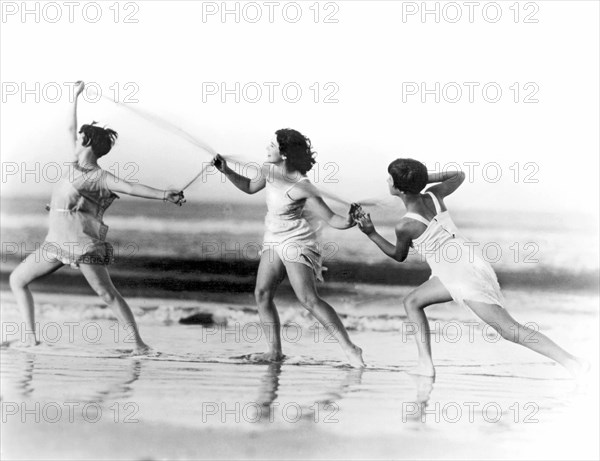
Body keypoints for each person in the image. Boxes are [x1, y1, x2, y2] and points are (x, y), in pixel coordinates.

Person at [355, 158, 587, 377]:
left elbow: (398, 255)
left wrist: (371, 233)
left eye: (390, 178)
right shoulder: (434, 194)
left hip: (458, 274)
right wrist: (423, 178)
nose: (387, 181)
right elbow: (459, 174)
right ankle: (425, 365)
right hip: (466, 263)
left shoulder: (406, 225)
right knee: (412, 302)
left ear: (400, 189)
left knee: (508, 330)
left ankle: (572, 362)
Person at [9, 81, 185, 353]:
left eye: (81, 137)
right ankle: (31, 338)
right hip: (55, 242)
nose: (75, 139)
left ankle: (139, 345)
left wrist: (164, 194)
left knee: (106, 294)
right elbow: (71, 127)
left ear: (88, 142)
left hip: (81, 244)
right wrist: (75, 96)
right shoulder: (73, 163)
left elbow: (131, 187)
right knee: (17, 280)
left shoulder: (99, 177)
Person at [212, 129, 364, 367]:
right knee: (261, 294)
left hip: (297, 241)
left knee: (308, 299)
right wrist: (227, 171)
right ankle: (274, 352)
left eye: (271, 146)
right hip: (273, 238)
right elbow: (251, 187)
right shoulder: (267, 170)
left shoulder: (303, 186)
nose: (267, 149)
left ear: (283, 152)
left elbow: (332, 218)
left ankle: (351, 348)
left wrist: (350, 221)